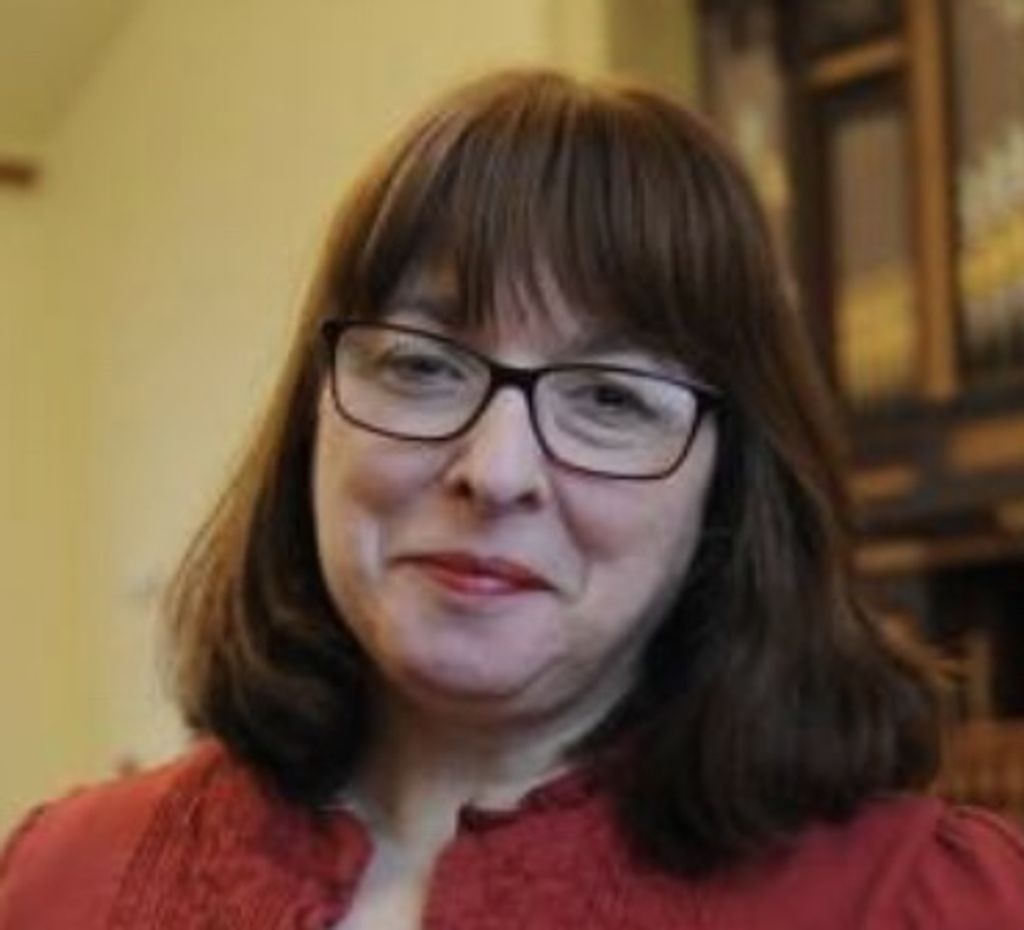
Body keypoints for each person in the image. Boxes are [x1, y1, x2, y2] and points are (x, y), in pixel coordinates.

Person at [2, 69, 1022, 930]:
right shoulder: (57, 883)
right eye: (421, 366)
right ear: (316, 411)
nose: (494, 472)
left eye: (610, 398)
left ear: (729, 486)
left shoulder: (932, 905)